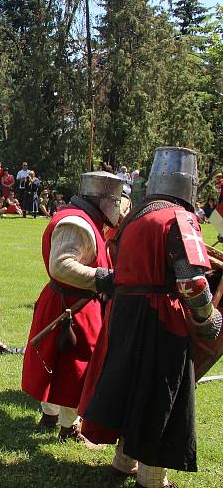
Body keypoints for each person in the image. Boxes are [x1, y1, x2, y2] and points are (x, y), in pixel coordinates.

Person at [79, 148, 221, 487]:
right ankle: (153, 478)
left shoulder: (135, 217)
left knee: (132, 389)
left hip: (126, 314)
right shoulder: (179, 218)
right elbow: (191, 281)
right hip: (161, 318)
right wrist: (207, 318)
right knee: (159, 396)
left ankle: (123, 461)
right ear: (189, 183)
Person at [21, 171, 123, 447]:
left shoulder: (87, 219)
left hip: (72, 304)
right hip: (71, 307)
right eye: (115, 200)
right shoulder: (76, 223)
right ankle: (67, 425)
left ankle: (52, 415)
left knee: (61, 366)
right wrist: (103, 278)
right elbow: (62, 265)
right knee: (71, 369)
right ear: (101, 199)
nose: (118, 206)